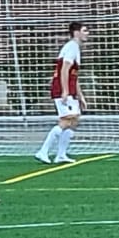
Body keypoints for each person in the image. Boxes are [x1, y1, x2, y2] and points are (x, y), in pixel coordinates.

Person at [36, 21, 88, 164]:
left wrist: (80, 96)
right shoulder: (71, 47)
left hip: (70, 90)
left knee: (74, 121)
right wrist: (65, 91)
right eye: (84, 30)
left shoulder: (75, 48)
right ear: (76, 32)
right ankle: (43, 151)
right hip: (62, 89)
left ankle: (61, 154)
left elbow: (73, 76)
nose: (87, 33)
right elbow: (64, 70)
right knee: (66, 120)